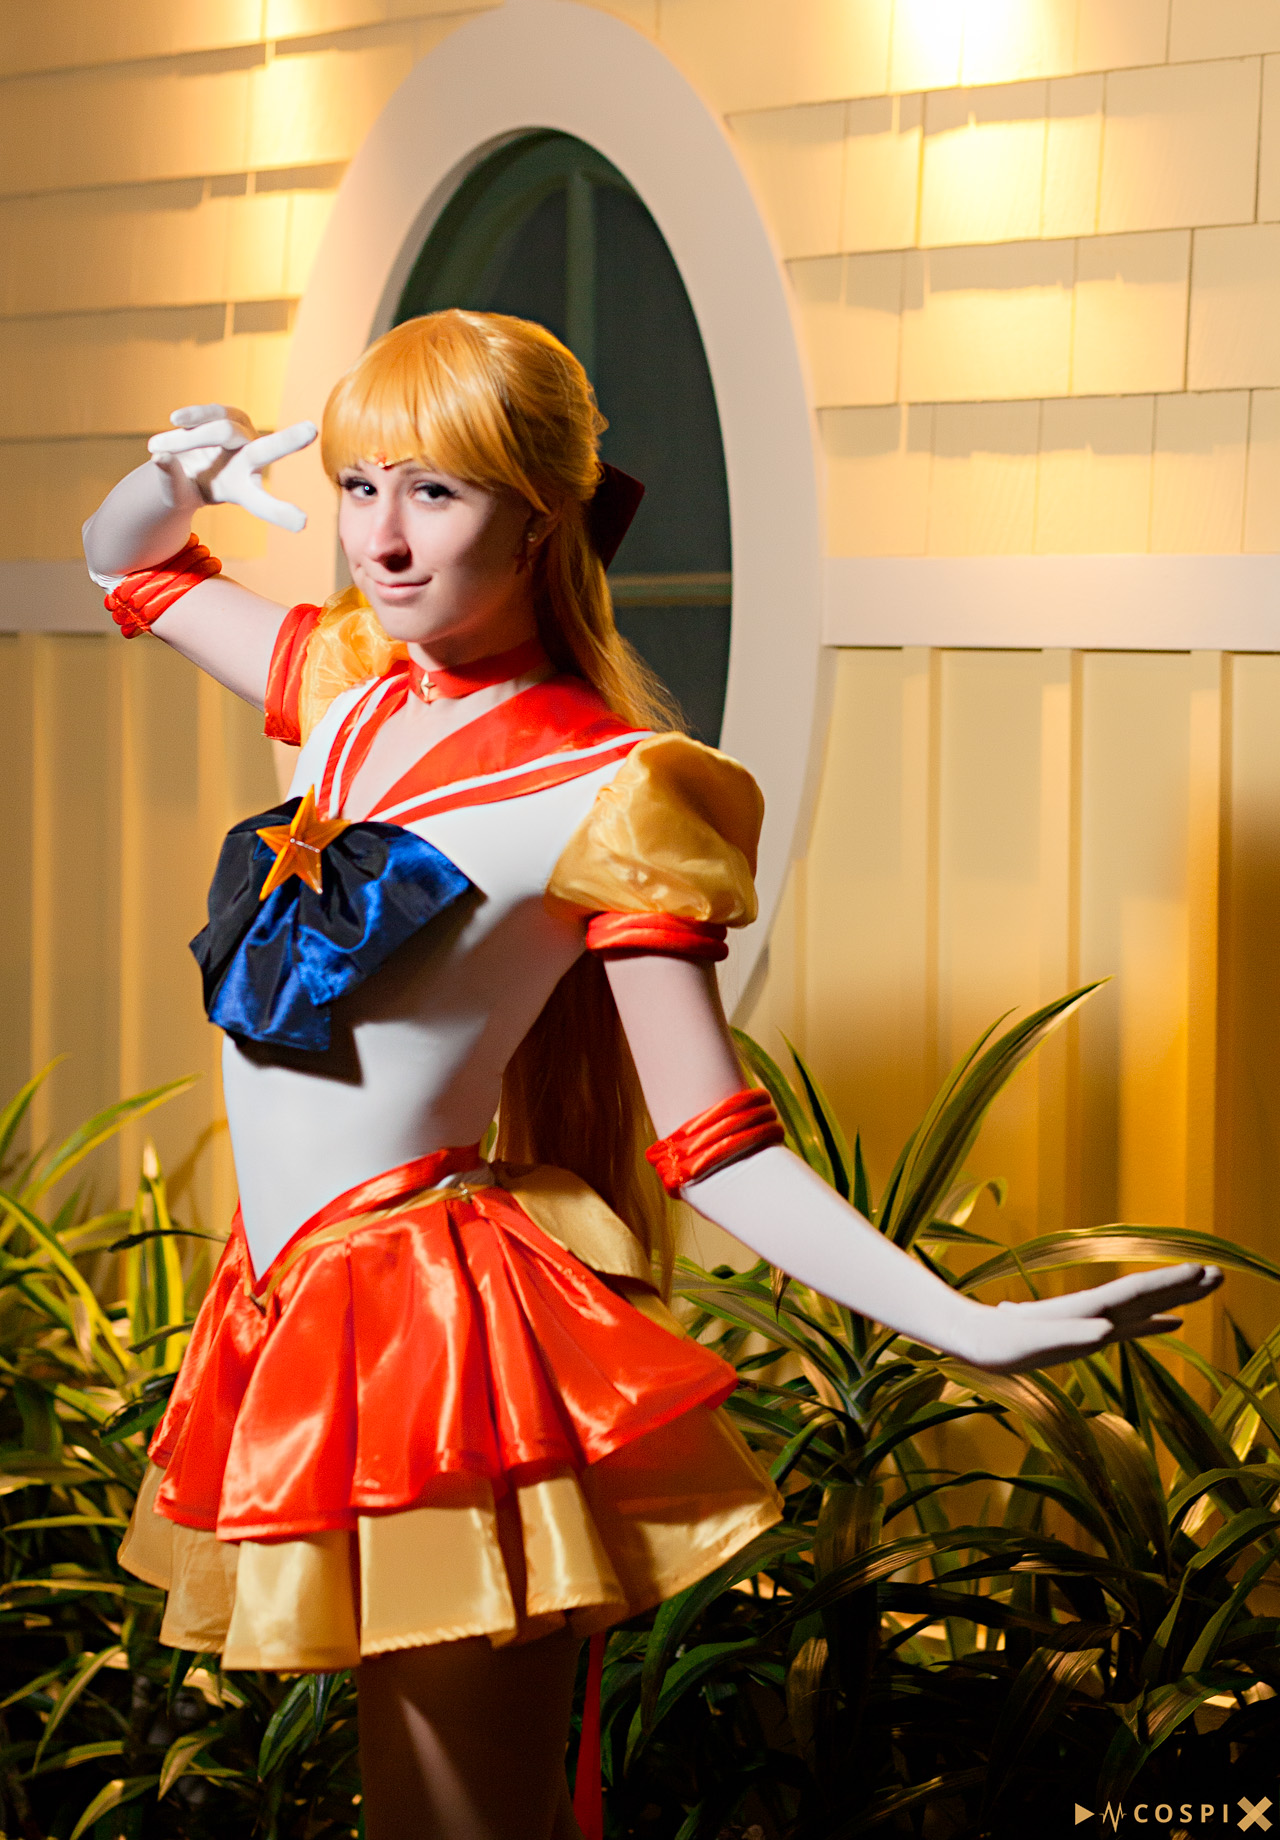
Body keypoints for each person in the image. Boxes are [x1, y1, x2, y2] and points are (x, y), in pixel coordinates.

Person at [83, 310, 1220, 1840]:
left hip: (434, 1338)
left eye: (437, 493)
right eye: (359, 488)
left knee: (468, 1817)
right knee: (406, 1804)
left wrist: (959, 1321)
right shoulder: (348, 684)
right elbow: (132, 572)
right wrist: (174, 482)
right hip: (289, 1307)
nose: (383, 540)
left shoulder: (615, 790)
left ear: (540, 520)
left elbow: (716, 1140)